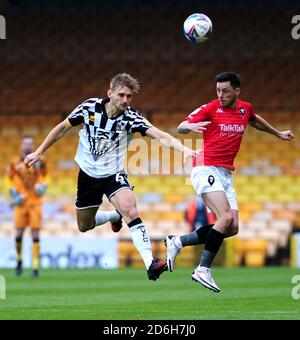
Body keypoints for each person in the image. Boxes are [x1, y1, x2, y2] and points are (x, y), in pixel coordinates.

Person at [24, 73, 200, 281]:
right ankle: (113, 216)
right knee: (84, 225)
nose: (126, 100)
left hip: (113, 174)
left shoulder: (131, 118)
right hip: (88, 175)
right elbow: (62, 127)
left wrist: (184, 150)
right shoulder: (89, 108)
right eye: (121, 95)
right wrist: (39, 152)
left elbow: (161, 135)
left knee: (130, 209)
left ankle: (150, 263)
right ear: (110, 94)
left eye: (129, 96)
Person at [165, 72, 294, 292]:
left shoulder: (245, 108)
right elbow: (181, 126)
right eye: (218, 90)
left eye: (225, 91)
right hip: (205, 167)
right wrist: (190, 127)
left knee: (231, 227)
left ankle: (177, 242)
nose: (221, 95)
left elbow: (254, 119)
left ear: (237, 91)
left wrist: (277, 133)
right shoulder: (210, 108)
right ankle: (202, 269)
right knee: (223, 217)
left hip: (226, 174)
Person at [6, 135, 48, 278]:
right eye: (25, 144)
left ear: (34, 146)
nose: (28, 146)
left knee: (35, 234)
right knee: (19, 234)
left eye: (30, 144)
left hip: (35, 203)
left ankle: (35, 266)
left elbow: (46, 177)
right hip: (21, 203)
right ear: (21, 146)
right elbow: (8, 180)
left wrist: (43, 186)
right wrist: (13, 193)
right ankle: (19, 260)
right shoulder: (14, 163)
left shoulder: (41, 162)